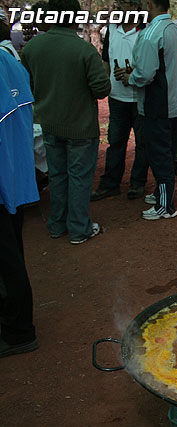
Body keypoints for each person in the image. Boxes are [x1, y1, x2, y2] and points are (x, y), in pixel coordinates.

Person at [22, 0, 111, 245]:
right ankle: (79, 229)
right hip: (80, 127)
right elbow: (102, 89)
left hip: (49, 123)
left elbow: (26, 84)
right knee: (79, 178)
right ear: (75, 18)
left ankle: (57, 224)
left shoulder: (33, 47)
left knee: (57, 176)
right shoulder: (83, 49)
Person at [115, 0, 177, 220]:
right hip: (176, 103)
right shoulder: (175, 30)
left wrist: (130, 77)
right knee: (168, 151)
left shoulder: (151, 33)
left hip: (158, 105)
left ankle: (165, 205)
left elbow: (145, 75)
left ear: (149, 4)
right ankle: (161, 194)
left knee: (159, 155)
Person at [0, 46, 40, 358]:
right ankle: (16, 324)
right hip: (13, 179)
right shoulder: (11, 63)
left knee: (6, 260)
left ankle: (18, 331)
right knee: (11, 251)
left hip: (6, 180)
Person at [91, 0, 149, 201]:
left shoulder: (146, 30)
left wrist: (134, 73)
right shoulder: (112, 29)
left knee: (142, 143)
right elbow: (106, 60)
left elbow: (152, 64)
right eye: (124, 3)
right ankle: (110, 183)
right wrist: (104, 86)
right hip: (117, 97)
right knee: (115, 141)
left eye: (133, 3)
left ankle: (137, 183)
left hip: (141, 96)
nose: (128, 7)